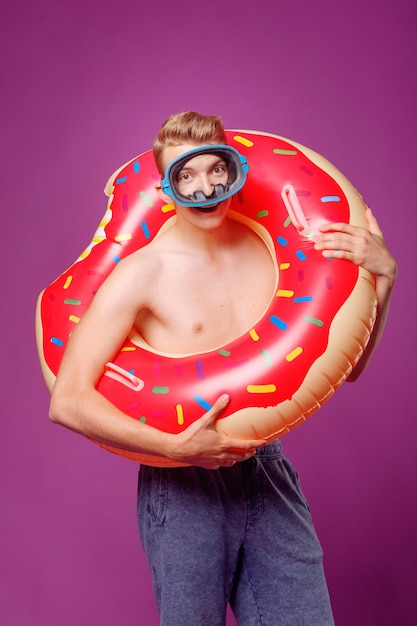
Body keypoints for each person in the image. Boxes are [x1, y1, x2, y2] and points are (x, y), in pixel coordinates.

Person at [49, 111, 397, 625]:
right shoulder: (142, 273)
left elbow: (350, 369)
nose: (204, 186)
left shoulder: (278, 253)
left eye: (216, 169)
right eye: (186, 176)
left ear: (234, 170)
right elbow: (67, 400)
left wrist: (384, 280)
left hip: (265, 469)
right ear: (167, 189)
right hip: (182, 480)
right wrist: (174, 447)